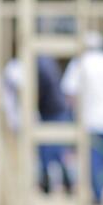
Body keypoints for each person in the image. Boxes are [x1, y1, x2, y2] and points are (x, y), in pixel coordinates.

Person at [61, 30, 103, 205]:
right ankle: (100, 192)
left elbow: (69, 92)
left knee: (94, 160)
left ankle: (98, 194)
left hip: (90, 120)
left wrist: (72, 115)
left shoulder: (80, 63)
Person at [35, 55, 73, 195]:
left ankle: (49, 182)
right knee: (55, 150)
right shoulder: (46, 62)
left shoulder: (40, 64)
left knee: (50, 149)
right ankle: (63, 182)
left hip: (52, 111)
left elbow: (41, 89)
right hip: (54, 109)